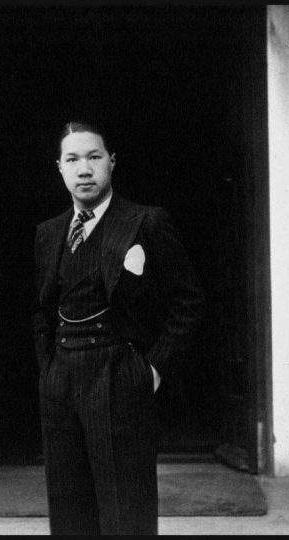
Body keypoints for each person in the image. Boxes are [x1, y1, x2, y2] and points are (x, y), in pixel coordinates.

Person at [33, 121, 204, 535]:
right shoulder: (49, 233)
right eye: (73, 159)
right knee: (70, 510)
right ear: (59, 168)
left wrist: (151, 370)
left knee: (126, 511)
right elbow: (41, 310)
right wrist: (48, 371)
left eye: (94, 157)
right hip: (61, 382)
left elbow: (188, 302)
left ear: (111, 161)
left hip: (119, 377)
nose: (84, 169)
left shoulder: (145, 222)